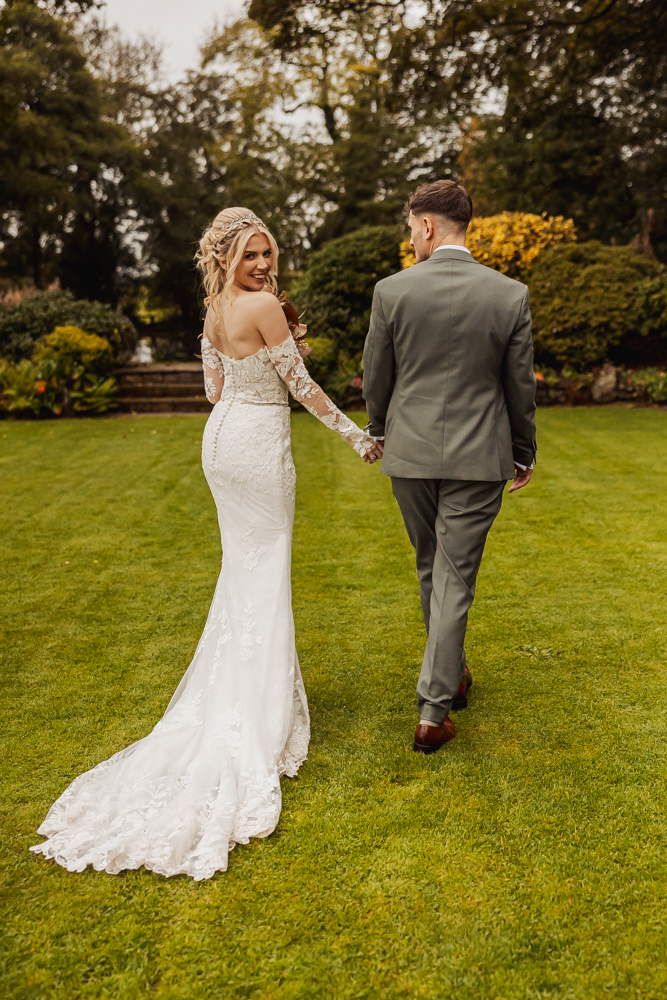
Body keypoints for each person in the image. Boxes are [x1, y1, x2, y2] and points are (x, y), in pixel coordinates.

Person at [31, 208, 381, 880]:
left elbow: (214, 387)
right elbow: (299, 389)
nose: (262, 265)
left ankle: (242, 691)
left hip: (221, 440)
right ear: (225, 256)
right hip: (255, 446)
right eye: (251, 255)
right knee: (265, 569)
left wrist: (271, 360)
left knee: (243, 572)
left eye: (266, 255)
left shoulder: (215, 310)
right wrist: (356, 436)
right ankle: (257, 714)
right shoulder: (263, 308)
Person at [362, 180, 536, 755]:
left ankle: (446, 685)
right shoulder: (509, 294)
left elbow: (377, 375)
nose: (410, 236)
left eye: (411, 226)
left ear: (428, 226)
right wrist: (524, 449)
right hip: (480, 455)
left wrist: (381, 426)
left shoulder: (392, 292)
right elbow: (519, 386)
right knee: (452, 576)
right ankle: (434, 709)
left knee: (432, 567)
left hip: (410, 455)